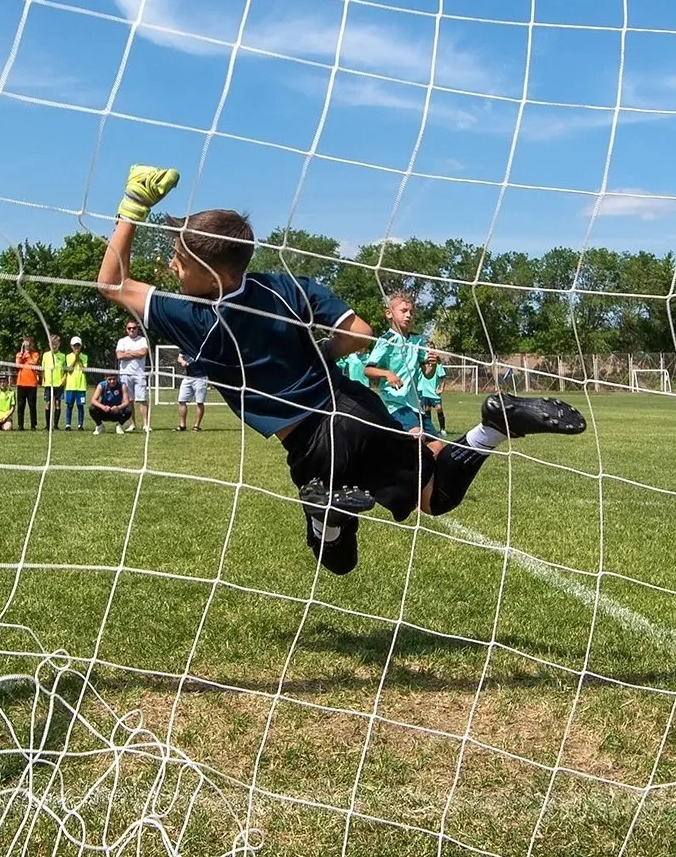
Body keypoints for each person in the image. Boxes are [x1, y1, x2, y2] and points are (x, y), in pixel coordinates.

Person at [95, 163, 584, 575]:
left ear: (213, 272)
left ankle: (323, 514)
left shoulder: (194, 316)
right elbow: (361, 332)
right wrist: (323, 357)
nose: (173, 267)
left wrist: (133, 206)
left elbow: (111, 283)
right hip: (354, 403)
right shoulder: (284, 287)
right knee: (435, 493)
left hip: (313, 441)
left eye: (180, 260)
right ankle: (492, 427)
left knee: (337, 561)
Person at [357, 291, 429, 431]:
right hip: (395, 403)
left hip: (415, 404)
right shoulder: (386, 340)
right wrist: (387, 374)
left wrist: (431, 363)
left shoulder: (417, 340)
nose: (408, 315)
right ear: (389, 313)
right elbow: (368, 369)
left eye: (411, 312)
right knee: (417, 435)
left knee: (436, 447)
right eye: (403, 311)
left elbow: (428, 373)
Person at [115, 319, 152, 430]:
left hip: (139, 374)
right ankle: (132, 424)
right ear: (126, 330)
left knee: (142, 399)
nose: (132, 330)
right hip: (125, 374)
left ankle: (146, 424)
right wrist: (135, 353)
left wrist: (127, 353)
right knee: (129, 400)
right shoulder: (122, 341)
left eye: (134, 328)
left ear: (137, 329)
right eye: (129, 328)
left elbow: (143, 353)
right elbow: (119, 356)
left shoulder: (143, 340)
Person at [173, 349, 210, 432]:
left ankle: (196, 426)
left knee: (199, 402)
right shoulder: (186, 346)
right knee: (181, 401)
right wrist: (182, 361)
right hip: (188, 377)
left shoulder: (201, 347)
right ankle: (182, 425)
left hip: (201, 377)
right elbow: (180, 357)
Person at [62, 336, 91, 429]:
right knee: (69, 405)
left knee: (80, 405)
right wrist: (75, 358)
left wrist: (79, 359)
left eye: (78, 346)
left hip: (81, 386)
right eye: (75, 346)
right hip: (70, 386)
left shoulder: (85, 357)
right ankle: (68, 424)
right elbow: (69, 370)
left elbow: (84, 370)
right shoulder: (68, 356)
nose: (76, 348)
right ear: (71, 346)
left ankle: (80, 424)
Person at [13, 338, 41, 431]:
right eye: (25, 345)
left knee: (32, 405)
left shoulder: (35, 354)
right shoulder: (19, 355)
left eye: (28, 345)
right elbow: (17, 366)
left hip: (32, 383)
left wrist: (28, 355)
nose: (27, 347)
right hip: (21, 383)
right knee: (21, 405)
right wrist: (21, 354)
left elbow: (33, 363)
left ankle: (33, 425)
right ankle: (20, 425)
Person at [418, 352, 447, 436]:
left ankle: (442, 429)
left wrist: (441, 388)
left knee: (439, 408)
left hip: (434, 392)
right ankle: (429, 430)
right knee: (427, 410)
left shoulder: (438, 365)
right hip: (424, 391)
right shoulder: (422, 365)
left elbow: (443, 377)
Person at [41, 337, 67, 429]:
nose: (54, 346)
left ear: (59, 344)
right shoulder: (45, 355)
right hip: (48, 383)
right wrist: (43, 380)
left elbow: (65, 370)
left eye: (56, 344)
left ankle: (55, 425)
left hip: (58, 384)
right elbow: (43, 369)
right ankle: (47, 425)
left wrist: (63, 380)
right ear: (49, 344)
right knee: (48, 403)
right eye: (52, 344)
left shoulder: (63, 356)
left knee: (57, 404)